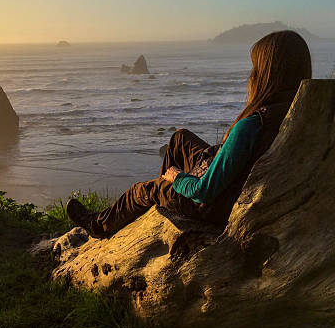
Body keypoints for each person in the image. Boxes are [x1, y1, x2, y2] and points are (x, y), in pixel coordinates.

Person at [67, 30, 312, 239]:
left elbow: (205, 191)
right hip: (237, 188)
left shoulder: (252, 125)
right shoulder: (302, 112)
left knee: (142, 190)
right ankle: (162, 203)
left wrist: (177, 178)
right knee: (180, 138)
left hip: (214, 205)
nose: (251, 75)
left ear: (267, 74)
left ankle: (98, 225)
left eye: (256, 68)